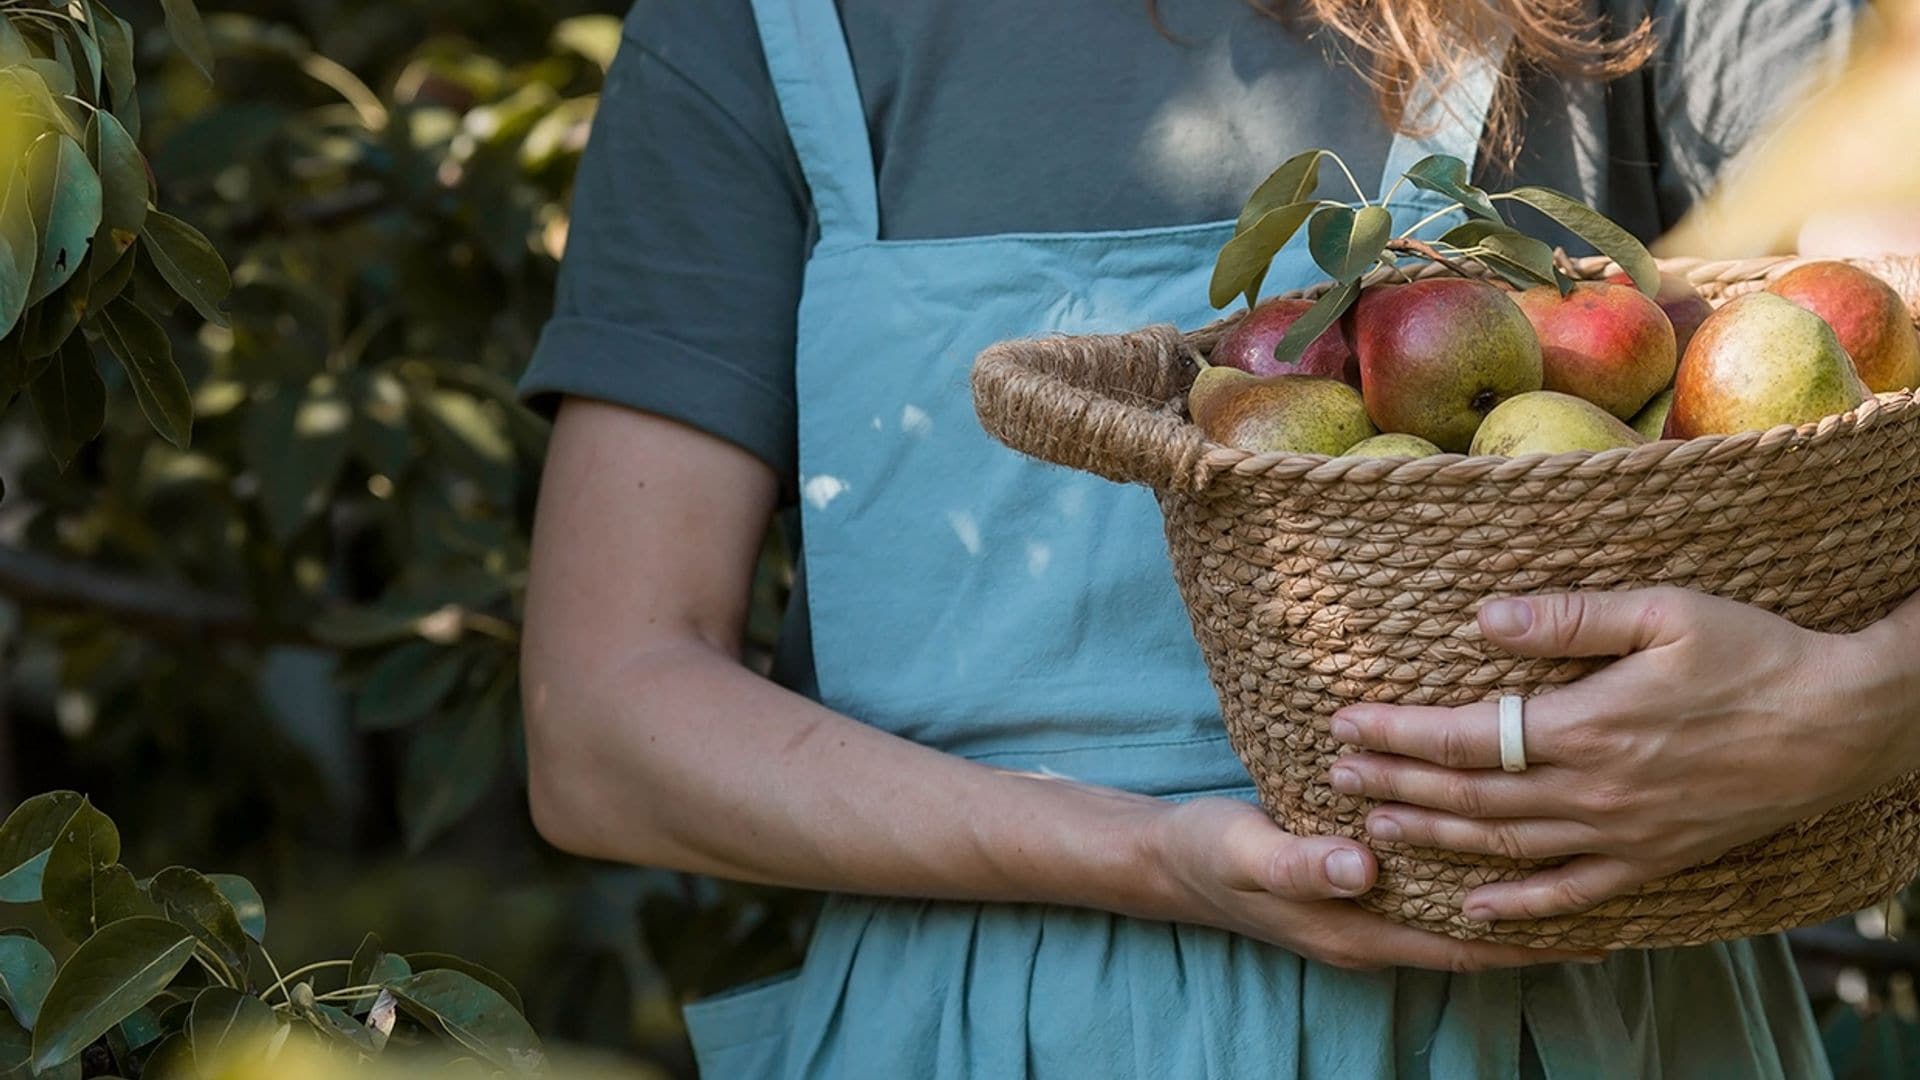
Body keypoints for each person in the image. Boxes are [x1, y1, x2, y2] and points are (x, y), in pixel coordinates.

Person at [517, 1, 1887, 1076]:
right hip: (1007, 1038)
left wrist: (1864, 711)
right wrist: (1144, 853)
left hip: (1580, 1013)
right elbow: (605, 720)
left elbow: (1890, 347)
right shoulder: (764, 21)